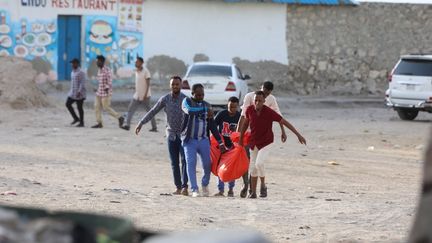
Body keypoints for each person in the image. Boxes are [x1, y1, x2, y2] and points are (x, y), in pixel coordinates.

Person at [238, 91, 306, 199]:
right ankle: (253, 193)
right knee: (253, 168)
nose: (257, 103)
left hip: (266, 142)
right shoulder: (250, 110)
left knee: (259, 164)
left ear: (264, 101)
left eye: (260, 101)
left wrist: (298, 134)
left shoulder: (269, 112)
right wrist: (240, 139)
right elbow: (245, 123)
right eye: (255, 100)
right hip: (254, 142)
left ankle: (263, 185)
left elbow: (283, 121)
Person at [135, 76, 189, 195]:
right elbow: (153, 111)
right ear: (170, 86)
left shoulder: (186, 100)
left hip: (184, 136)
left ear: (181, 85)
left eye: (177, 84)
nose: (175, 86)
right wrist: (141, 122)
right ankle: (178, 187)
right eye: (173, 84)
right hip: (171, 136)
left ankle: (185, 186)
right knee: (174, 163)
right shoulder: (165, 99)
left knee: (185, 161)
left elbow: (193, 115)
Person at [237, 81, 287, 198]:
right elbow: (243, 116)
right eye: (264, 91)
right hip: (249, 134)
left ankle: (257, 187)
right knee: (249, 162)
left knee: (257, 163)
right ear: (261, 88)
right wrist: (238, 133)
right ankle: (247, 186)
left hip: (263, 134)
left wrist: (283, 131)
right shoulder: (250, 97)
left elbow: (278, 116)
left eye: (267, 93)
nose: (265, 94)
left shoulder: (271, 99)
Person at [181, 83, 226, 198]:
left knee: (207, 164)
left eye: (203, 94)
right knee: (191, 163)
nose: (201, 97)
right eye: (198, 94)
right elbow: (190, 111)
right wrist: (205, 110)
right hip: (189, 140)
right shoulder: (186, 102)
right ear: (192, 93)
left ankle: (204, 184)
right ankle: (194, 189)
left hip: (204, 140)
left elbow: (212, 126)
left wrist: (220, 141)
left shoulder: (207, 105)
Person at [213, 96, 241, 197]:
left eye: (234, 107)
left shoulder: (239, 116)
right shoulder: (222, 114)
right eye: (230, 107)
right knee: (219, 167)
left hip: (233, 146)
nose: (232, 110)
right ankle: (220, 190)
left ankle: (231, 189)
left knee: (231, 168)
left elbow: (242, 132)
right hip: (222, 145)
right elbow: (213, 126)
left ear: (237, 106)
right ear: (227, 105)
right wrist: (217, 141)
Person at [122, 57, 157, 132]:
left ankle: (154, 127)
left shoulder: (146, 71)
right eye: (135, 62)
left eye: (137, 62)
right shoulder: (136, 71)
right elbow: (138, 83)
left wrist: (145, 95)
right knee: (130, 109)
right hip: (137, 95)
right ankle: (127, 125)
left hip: (145, 96)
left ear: (141, 63)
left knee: (149, 112)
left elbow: (148, 84)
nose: (135, 63)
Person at [91, 55, 124, 129]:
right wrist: (97, 89)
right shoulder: (99, 70)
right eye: (96, 61)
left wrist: (106, 88)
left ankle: (119, 117)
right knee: (96, 106)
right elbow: (100, 81)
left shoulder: (107, 70)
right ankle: (99, 123)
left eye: (98, 61)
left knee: (106, 108)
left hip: (106, 93)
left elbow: (109, 81)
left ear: (102, 62)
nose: (97, 63)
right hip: (99, 92)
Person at [66, 58, 86, 127]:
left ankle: (82, 122)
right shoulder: (72, 72)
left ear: (77, 64)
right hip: (72, 93)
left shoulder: (81, 72)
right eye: (72, 63)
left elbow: (82, 83)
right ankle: (76, 118)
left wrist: (79, 91)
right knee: (68, 104)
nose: (72, 64)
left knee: (79, 108)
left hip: (79, 93)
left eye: (74, 63)